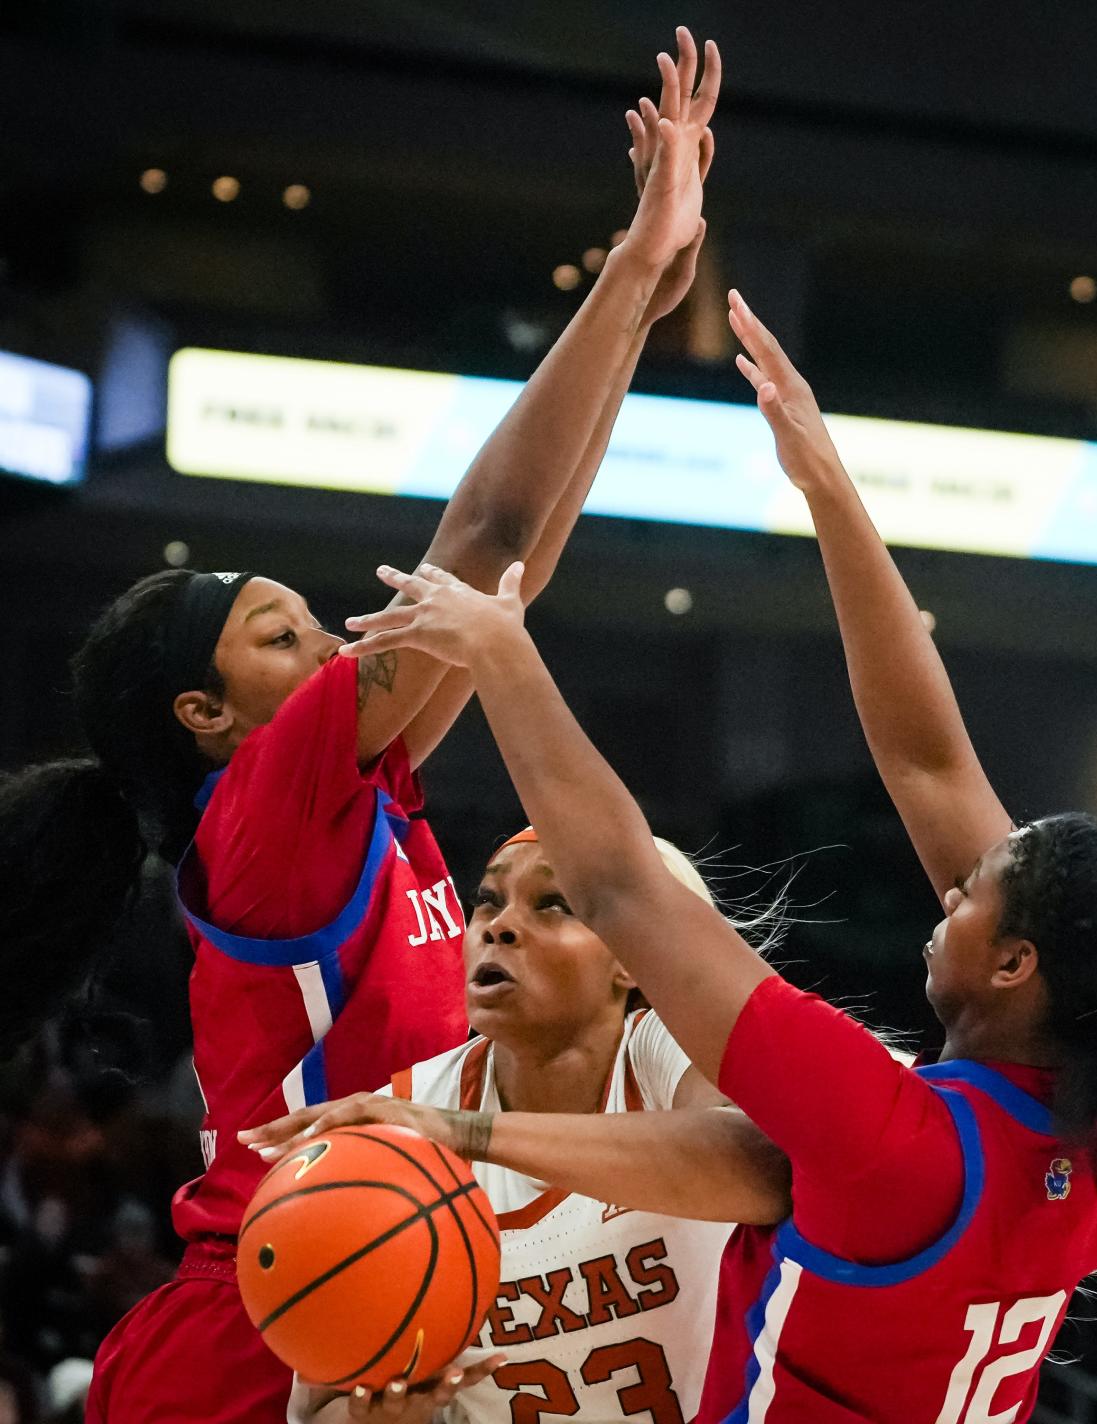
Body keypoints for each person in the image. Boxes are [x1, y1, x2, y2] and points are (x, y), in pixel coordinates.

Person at [249, 298, 1097, 1420]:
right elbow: (928, 760)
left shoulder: (889, 1132)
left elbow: (621, 883)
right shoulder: (1090, 1137)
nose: (949, 885)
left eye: (973, 895)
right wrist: (826, 486)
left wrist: (506, 660)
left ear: (1017, 965)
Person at [0, 30, 722, 1422]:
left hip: (358, 1297)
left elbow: (503, 580)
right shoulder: (266, 806)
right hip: (264, 1337)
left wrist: (634, 314)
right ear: (206, 718)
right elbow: (483, 537)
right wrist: (627, 274)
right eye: (283, 636)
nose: (335, 639)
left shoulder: (348, 795)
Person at [272, 828, 784, 1424]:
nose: (499, 925)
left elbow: (765, 1167)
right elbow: (320, 1408)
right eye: (488, 901)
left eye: (554, 905)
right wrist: (383, 1417)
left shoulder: (670, 1052)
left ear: (634, 957)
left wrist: (473, 1133)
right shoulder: (403, 1118)